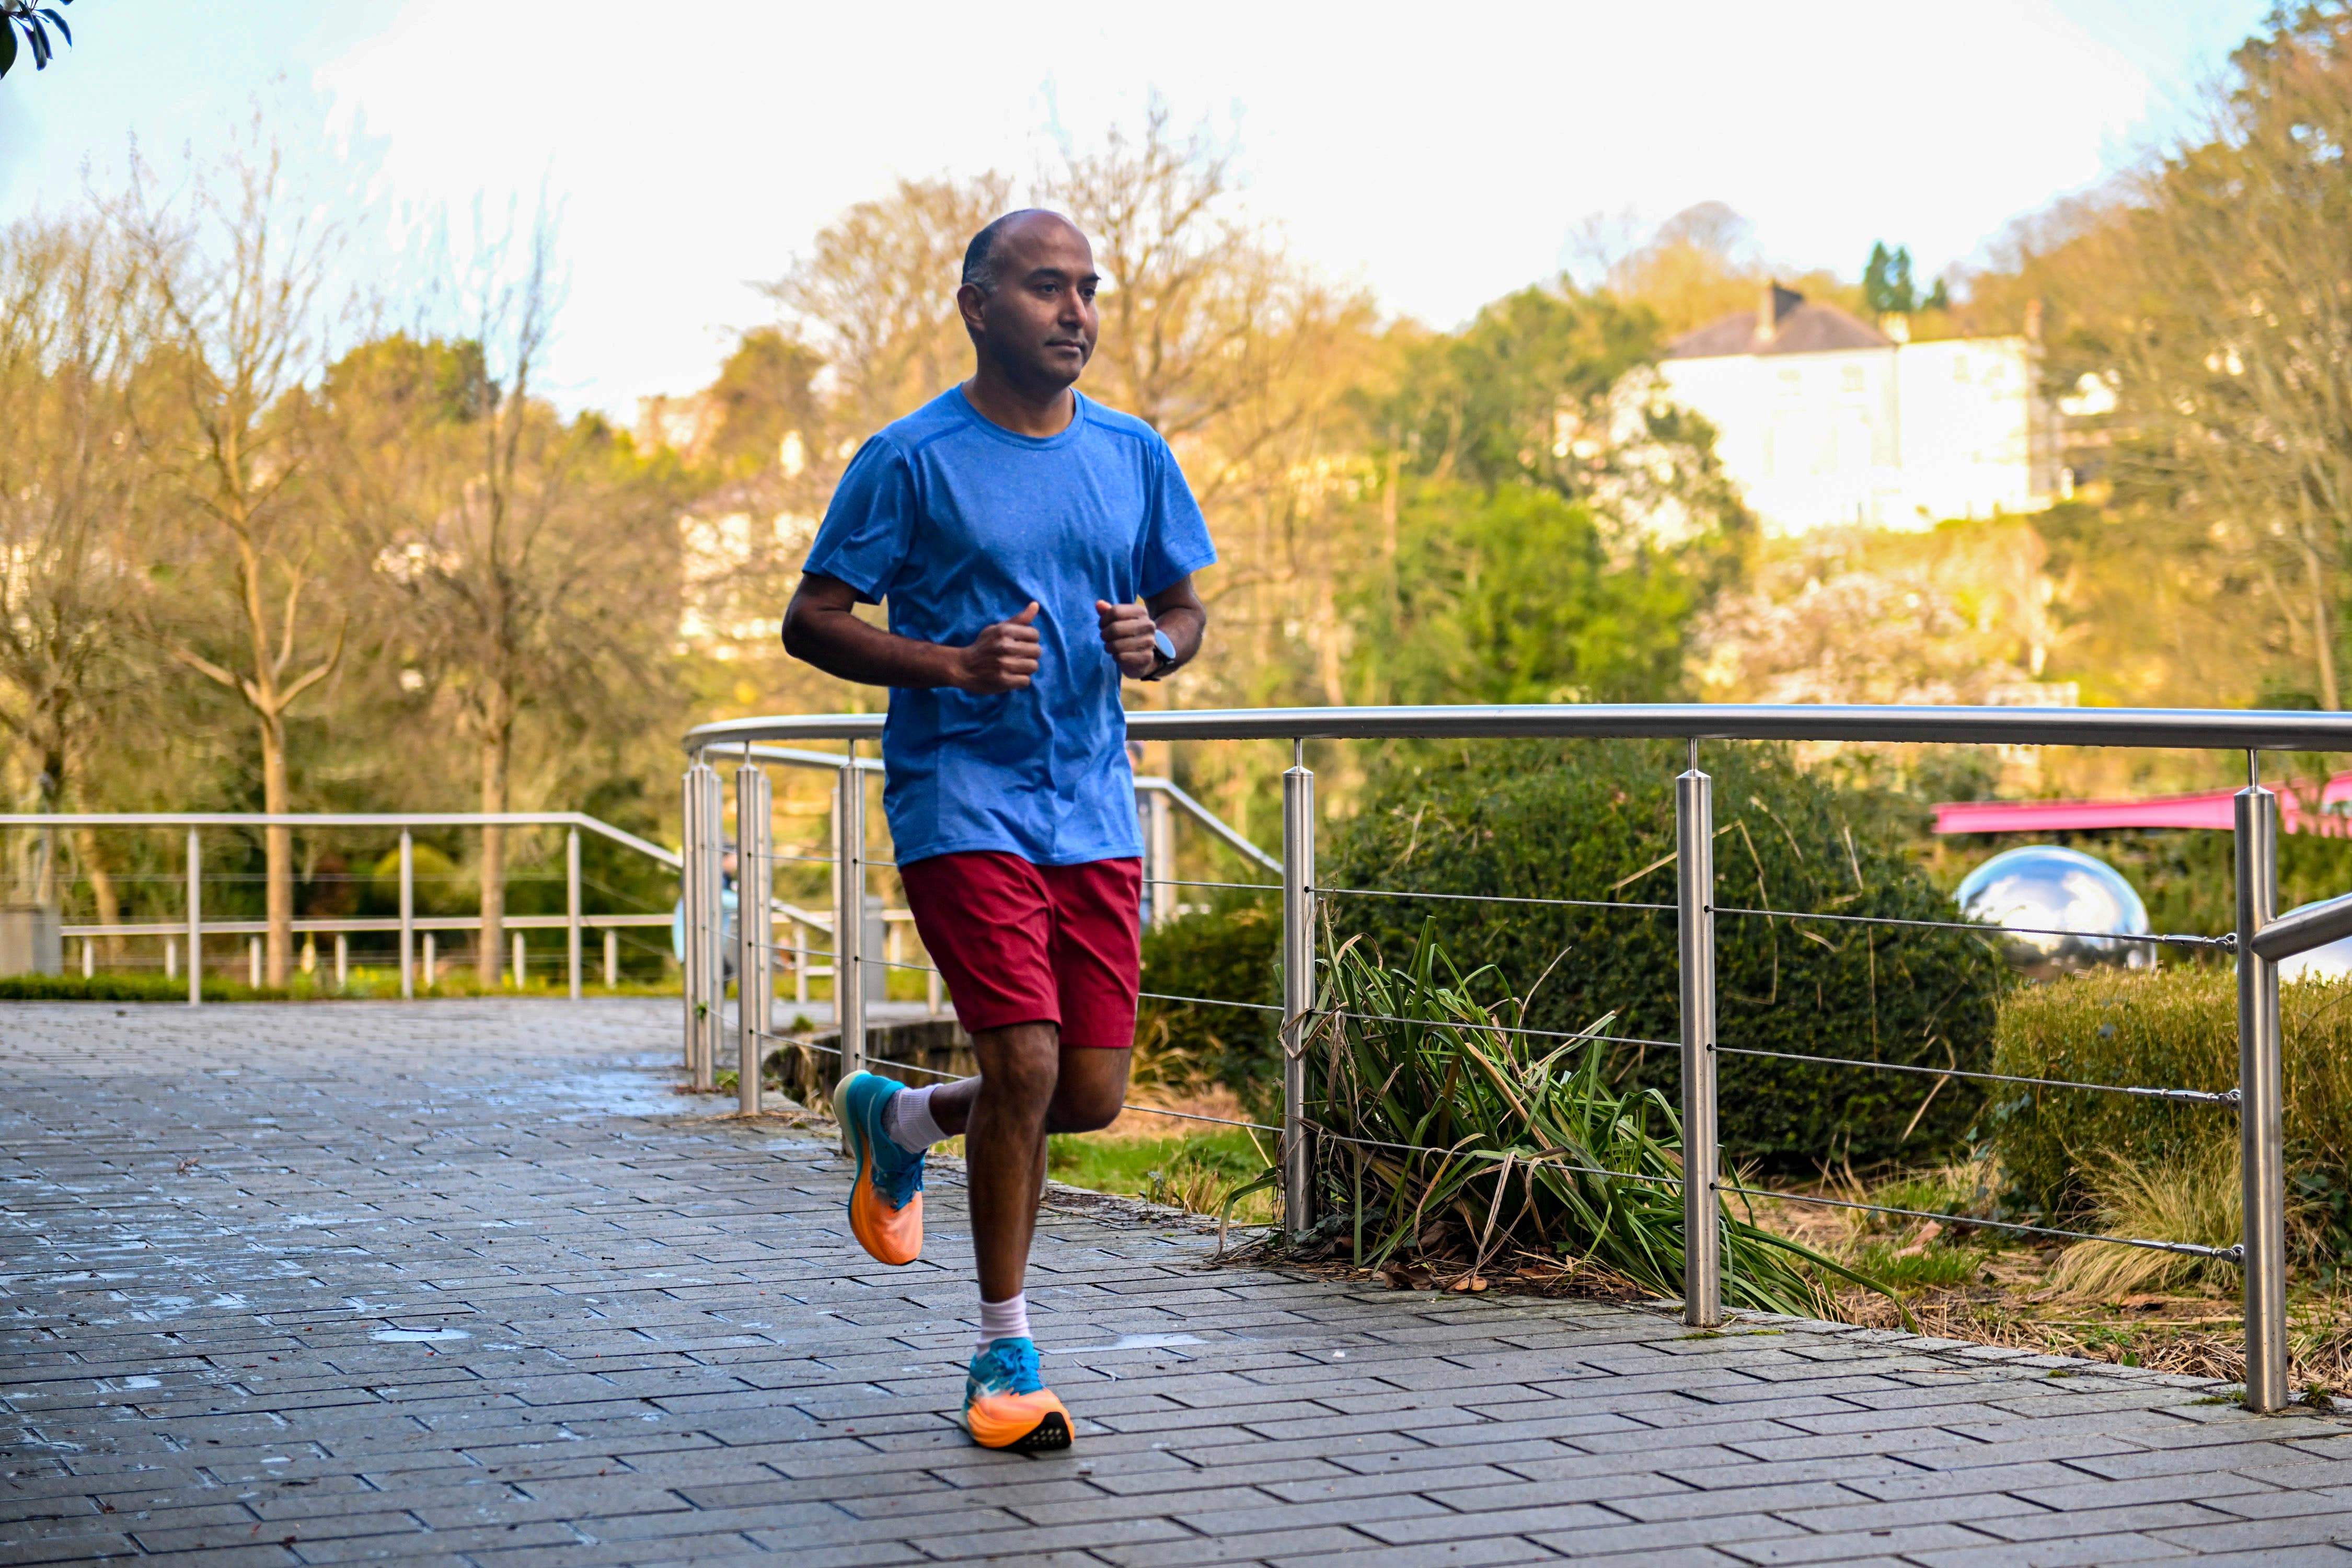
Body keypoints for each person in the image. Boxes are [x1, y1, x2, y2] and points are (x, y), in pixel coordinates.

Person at [780, 209, 1213, 1452]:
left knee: (1087, 1094)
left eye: (1087, 289)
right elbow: (813, 619)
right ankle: (1002, 1354)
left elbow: (1183, 607)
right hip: (959, 796)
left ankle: (900, 1120)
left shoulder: (1132, 453)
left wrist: (1159, 646)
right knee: (1022, 1063)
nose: (1076, 310)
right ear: (978, 307)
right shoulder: (910, 459)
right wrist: (952, 666)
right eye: (1044, 288)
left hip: (1091, 803)